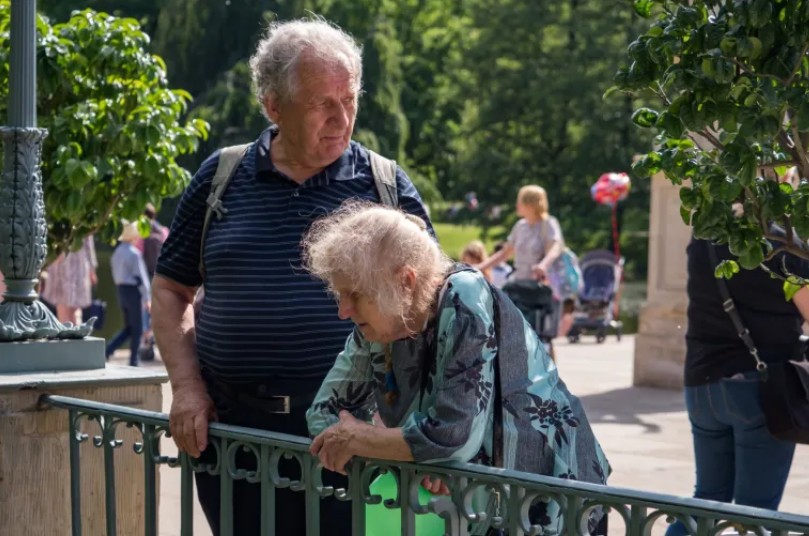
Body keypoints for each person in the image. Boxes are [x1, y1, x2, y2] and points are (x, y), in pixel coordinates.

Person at [150, 18, 432, 536]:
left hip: (353, 442)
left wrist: (410, 420)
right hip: (234, 441)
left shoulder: (385, 185)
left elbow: (435, 310)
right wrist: (186, 388)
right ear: (273, 105)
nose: (341, 117)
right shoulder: (220, 177)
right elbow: (170, 289)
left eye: (349, 99)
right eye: (323, 103)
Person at [304, 202, 610, 535]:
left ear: (406, 281)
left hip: (554, 497)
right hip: (483, 507)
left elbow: (451, 437)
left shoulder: (465, 296)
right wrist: (411, 453)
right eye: (339, 294)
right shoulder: (377, 326)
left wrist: (384, 443)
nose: (343, 311)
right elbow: (323, 415)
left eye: (356, 294)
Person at [664, 232, 809, 536]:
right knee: (755, 514)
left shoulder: (707, 232)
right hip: (762, 388)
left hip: (701, 384)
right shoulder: (778, 239)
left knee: (706, 501)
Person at [105, 222, 151, 366]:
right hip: (133, 291)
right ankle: (133, 360)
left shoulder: (116, 253)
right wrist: (147, 297)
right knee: (136, 328)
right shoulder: (134, 254)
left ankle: (108, 350)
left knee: (129, 327)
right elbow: (141, 277)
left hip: (121, 290)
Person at [41, 235, 97, 325]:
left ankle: (71, 333)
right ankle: (73, 333)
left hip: (66, 263)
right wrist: (92, 268)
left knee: (69, 308)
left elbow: (88, 244)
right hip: (64, 264)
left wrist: (92, 269)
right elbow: (89, 245)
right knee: (68, 308)